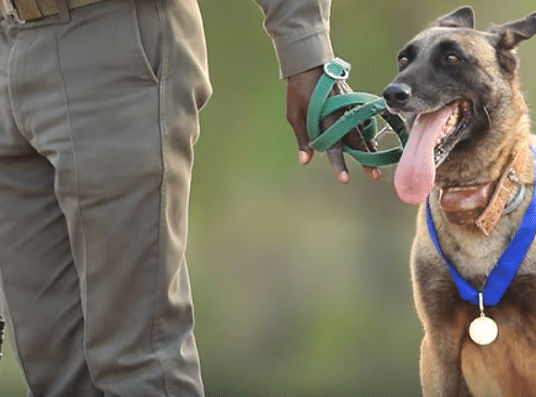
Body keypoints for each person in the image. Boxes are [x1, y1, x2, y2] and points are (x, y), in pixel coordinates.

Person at [0, 0, 376, 395]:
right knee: (51, 372)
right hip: (9, 43)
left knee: (137, 366)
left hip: (113, 38)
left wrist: (306, 50)